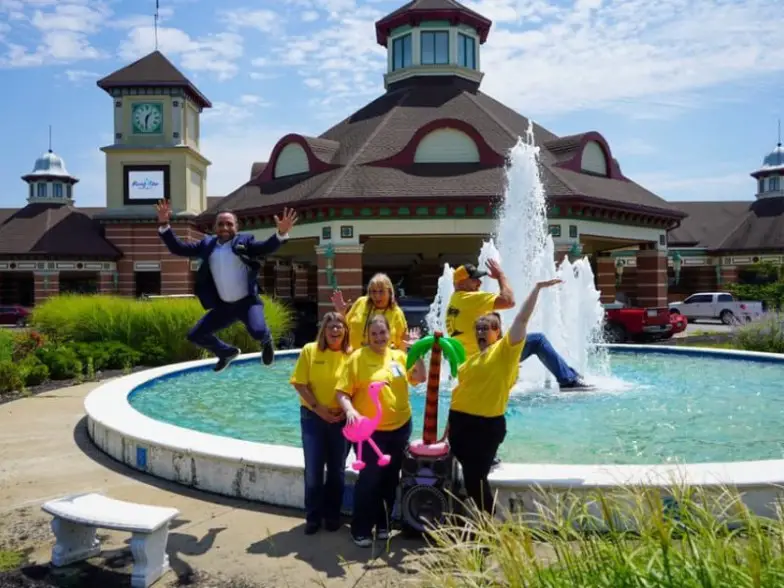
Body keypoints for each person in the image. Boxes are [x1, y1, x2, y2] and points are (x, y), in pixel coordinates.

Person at [447, 279, 562, 517]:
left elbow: (521, 320)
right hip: (459, 424)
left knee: (475, 478)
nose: (480, 333)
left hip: (485, 425)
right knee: (470, 477)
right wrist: (448, 426)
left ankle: (490, 525)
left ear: (497, 332)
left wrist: (536, 289)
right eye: (478, 329)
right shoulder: (472, 359)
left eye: (485, 329)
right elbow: (461, 392)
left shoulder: (504, 352)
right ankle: (480, 521)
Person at [155, 199, 299, 371]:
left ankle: (266, 341)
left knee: (258, 332)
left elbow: (265, 247)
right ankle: (226, 352)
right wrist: (164, 225)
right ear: (214, 227)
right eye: (221, 224)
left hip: (247, 303)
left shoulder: (244, 242)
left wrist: (280, 234)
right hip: (224, 306)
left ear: (236, 227)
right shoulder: (206, 244)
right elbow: (179, 248)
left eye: (229, 224)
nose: (225, 227)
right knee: (196, 335)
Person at [335, 315, 426, 547]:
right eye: (374, 333)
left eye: (382, 332)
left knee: (390, 478)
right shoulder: (357, 358)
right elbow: (342, 392)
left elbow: (420, 377)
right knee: (369, 479)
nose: (378, 337)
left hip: (400, 427)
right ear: (367, 335)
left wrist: (417, 352)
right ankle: (361, 529)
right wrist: (350, 410)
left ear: (389, 333)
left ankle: (384, 524)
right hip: (370, 434)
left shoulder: (399, 356)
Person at [446, 261, 591, 390]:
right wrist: (501, 276)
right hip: (490, 360)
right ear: (461, 283)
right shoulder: (469, 298)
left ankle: (569, 374)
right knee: (537, 340)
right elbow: (509, 301)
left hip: (475, 363)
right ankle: (568, 381)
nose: (479, 283)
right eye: (474, 280)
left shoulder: (454, 302)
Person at [290, 312, 352, 535]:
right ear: (323, 331)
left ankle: (332, 515)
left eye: (339, 326)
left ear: (345, 331)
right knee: (314, 470)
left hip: (341, 420)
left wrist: (346, 411)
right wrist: (320, 409)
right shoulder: (310, 350)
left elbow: (359, 387)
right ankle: (313, 516)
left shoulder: (352, 356)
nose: (335, 330)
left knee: (337, 471)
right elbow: (299, 384)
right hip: (313, 417)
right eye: (330, 326)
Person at [331, 273, 409, 351]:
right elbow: (344, 328)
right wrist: (341, 313)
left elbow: (403, 343)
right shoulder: (360, 302)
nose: (377, 296)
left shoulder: (397, 313)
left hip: (382, 358)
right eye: (374, 291)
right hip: (354, 356)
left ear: (389, 292)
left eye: (381, 291)